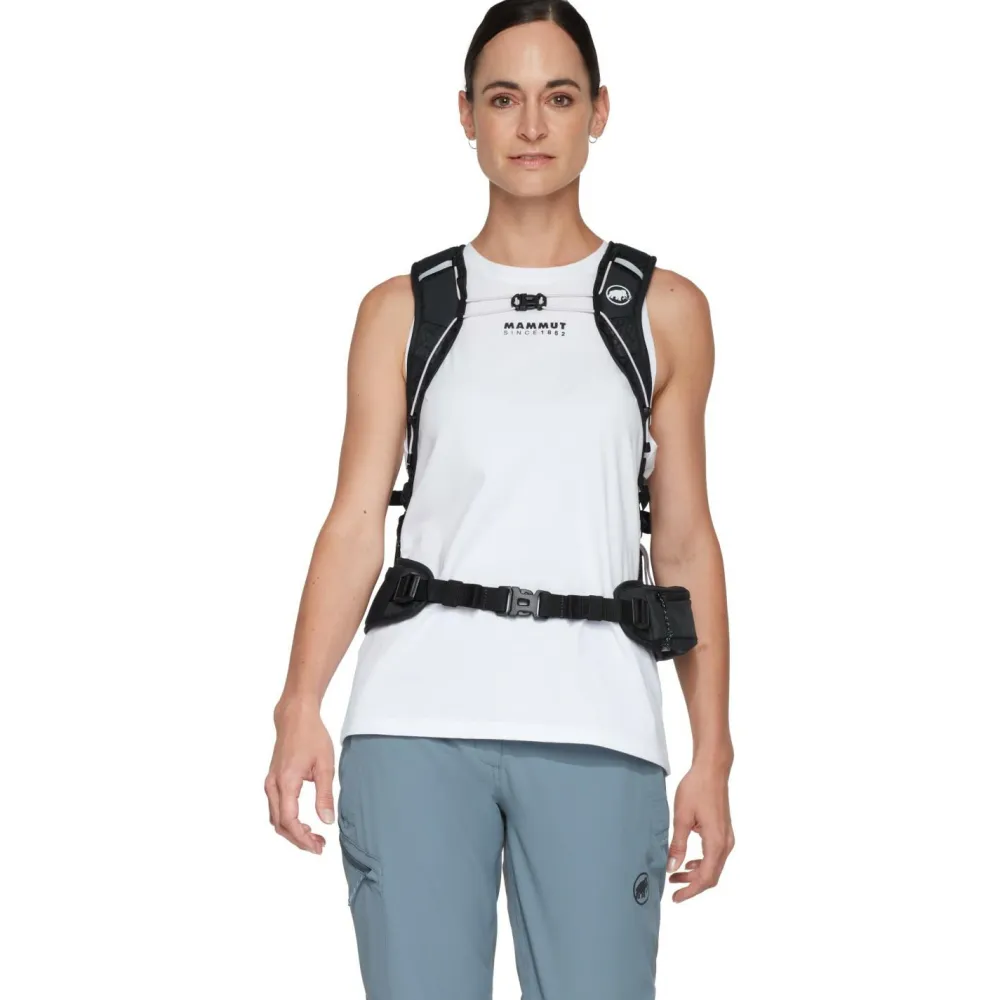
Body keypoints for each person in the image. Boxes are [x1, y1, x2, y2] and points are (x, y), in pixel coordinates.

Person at [264, 1, 734, 995]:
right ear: (466, 114)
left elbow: (685, 542)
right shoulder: (404, 308)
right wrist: (299, 705)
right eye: (503, 99)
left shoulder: (662, 310)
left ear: (598, 111)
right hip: (414, 721)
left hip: (601, 724)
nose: (530, 126)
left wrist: (713, 754)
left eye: (558, 98)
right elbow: (354, 523)